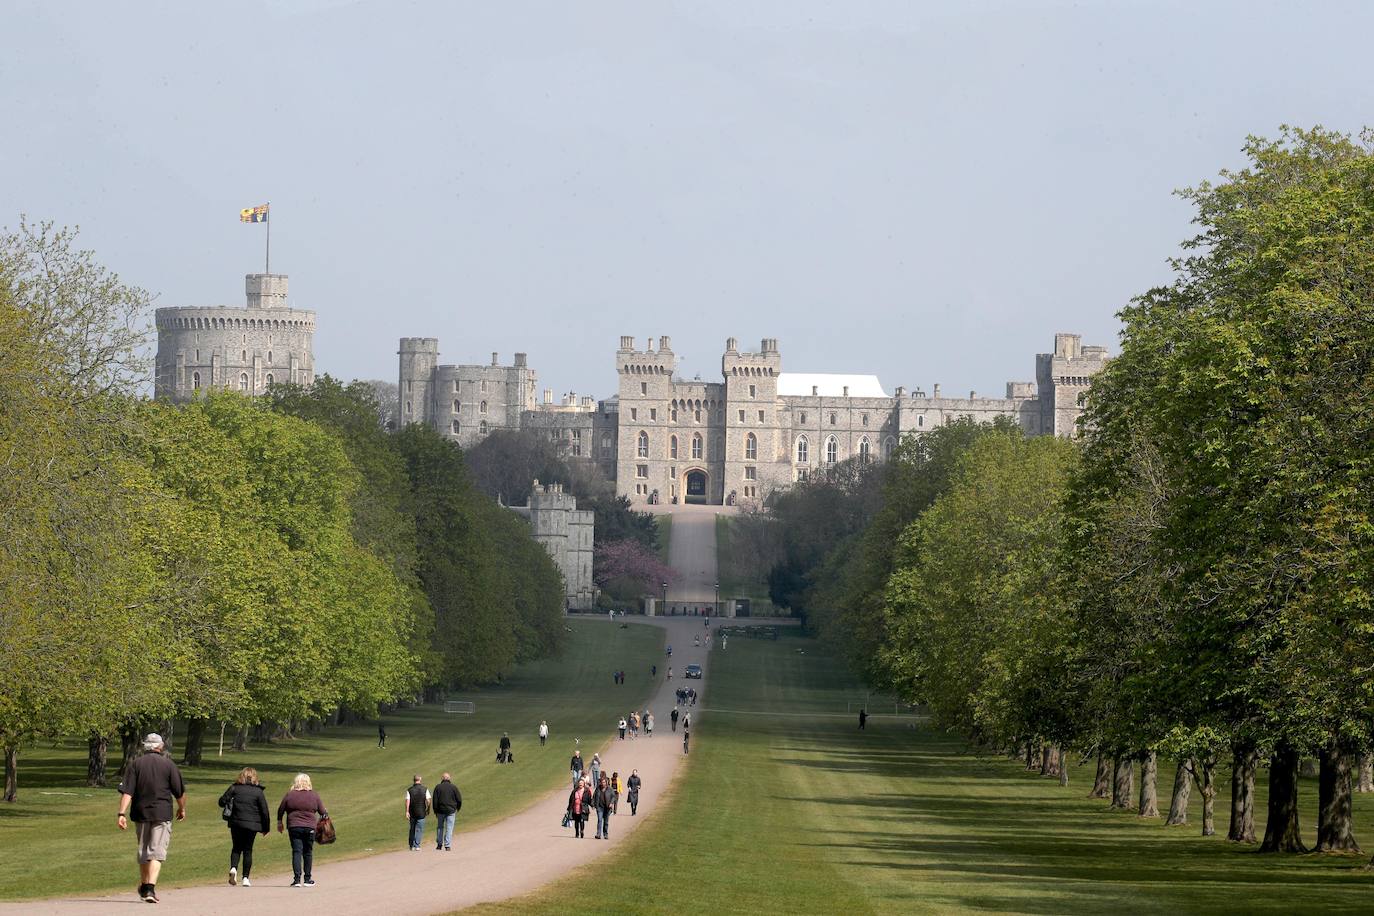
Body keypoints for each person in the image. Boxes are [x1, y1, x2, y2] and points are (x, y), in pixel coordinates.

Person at [115, 733, 186, 904]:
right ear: (160, 746)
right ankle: (150, 888)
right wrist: (182, 808)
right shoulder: (168, 765)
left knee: (144, 850)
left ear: (145, 746)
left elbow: (128, 792)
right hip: (162, 812)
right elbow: (179, 792)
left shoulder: (135, 764)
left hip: (141, 812)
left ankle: (145, 886)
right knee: (157, 851)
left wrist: (121, 813)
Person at [218, 766, 270, 887]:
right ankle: (245, 877)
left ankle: (233, 868)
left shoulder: (234, 788)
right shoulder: (258, 792)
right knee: (248, 849)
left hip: (236, 823)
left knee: (236, 847)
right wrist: (265, 828)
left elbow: (221, 802)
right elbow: (264, 811)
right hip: (252, 825)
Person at [277, 773, 328, 887]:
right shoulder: (314, 795)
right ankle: (307, 879)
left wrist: (279, 822)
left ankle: (296, 880)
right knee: (308, 852)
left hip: (294, 826)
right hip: (310, 826)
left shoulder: (290, 795)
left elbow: (281, 809)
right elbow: (322, 812)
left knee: (297, 851)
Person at [433, 773, 462, 851]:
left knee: (440, 827)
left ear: (442, 778)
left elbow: (435, 800)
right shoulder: (453, 787)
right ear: (449, 778)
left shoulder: (438, 787)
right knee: (449, 828)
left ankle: (439, 844)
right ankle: (447, 845)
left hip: (440, 810)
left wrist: (435, 811)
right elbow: (459, 799)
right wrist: (457, 808)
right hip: (451, 810)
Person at [405, 774, 431, 851]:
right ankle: (417, 845)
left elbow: (407, 801)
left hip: (412, 812)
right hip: (421, 812)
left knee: (412, 828)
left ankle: (411, 845)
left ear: (414, 780)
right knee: (419, 829)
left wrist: (407, 811)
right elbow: (428, 800)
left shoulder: (409, 790)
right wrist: (428, 809)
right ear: (420, 779)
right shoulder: (425, 789)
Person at [593, 775, 615, 840]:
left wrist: (611, 803)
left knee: (606, 822)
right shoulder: (598, 788)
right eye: (602, 782)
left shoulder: (610, 789)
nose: (603, 784)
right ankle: (598, 834)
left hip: (607, 808)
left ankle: (605, 834)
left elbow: (613, 797)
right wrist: (593, 804)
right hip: (599, 807)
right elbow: (594, 797)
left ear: (606, 782)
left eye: (604, 782)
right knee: (599, 820)